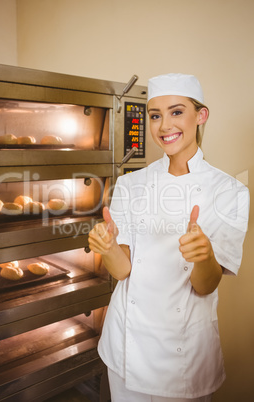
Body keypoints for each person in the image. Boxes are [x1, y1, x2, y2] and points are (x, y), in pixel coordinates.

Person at [88, 73, 249, 402]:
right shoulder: (132, 184)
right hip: (126, 347)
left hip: (183, 356)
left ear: (200, 116)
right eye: (155, 115)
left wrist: (203, 255)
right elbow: (122, 270)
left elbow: (205, 286)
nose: (164, 126)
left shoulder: (230, 192)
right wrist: (106, 248)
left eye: (177, 112)